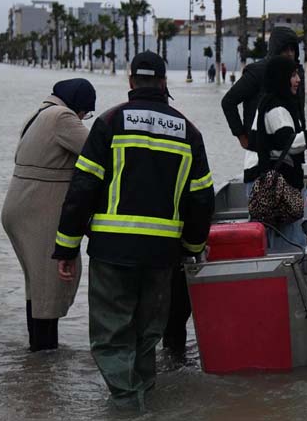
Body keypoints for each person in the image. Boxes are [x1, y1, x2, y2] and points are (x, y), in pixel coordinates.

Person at [52, 51, 215, 406]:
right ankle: (143, 401)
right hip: (162, 256)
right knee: (147, 335)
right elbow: (202, 199)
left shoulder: (109, 123)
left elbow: (83, 189)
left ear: (130, 82)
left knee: (112, 337)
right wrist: (191, 248)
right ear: (163, 82)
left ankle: (129, 407)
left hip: (113, 252)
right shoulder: (188, 131)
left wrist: (65, 247)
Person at [1, 78, 95, 352]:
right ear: (78, 106)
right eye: (85, 113)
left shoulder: (39, 113)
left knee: (37, 285)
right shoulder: (62, 117)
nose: (83, 119)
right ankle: (44, 356)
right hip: (39, 211)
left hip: (20, 209)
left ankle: (36, 358)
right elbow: (99, 151)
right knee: (50, 286)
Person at [247, 55, 307, 249]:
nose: (298, 79)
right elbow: (291, 144)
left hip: (271, 186)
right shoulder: (277, 109)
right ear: (280, 77)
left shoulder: (268, 102)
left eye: (298, 74)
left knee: (273, 243)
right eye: (293, 75)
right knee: (290, 245)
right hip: (282, 189)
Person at [221, 26, 305, 193]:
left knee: (293, 214)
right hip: (261, 163)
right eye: (284, 49)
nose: (289, 53)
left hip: (290, 160)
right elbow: (228, 101)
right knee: (264, 215)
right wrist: (241, 136)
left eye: (292, 49)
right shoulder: (258, 72)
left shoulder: (296, 74)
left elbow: (298, 112)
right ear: (275, 50)